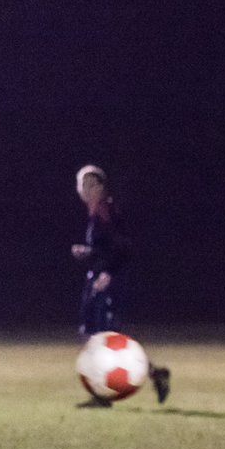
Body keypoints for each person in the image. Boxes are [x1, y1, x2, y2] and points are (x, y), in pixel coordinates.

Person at [71, 164, 171, 408]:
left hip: (106, 279)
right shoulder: (97, 212)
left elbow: (123, 248)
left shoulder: (106, 210)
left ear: (102, 187)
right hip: (96, 277)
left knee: (102, 336)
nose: (88, 189)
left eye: (93, 184)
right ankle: (152, 374)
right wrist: (89, 253)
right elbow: (106, 247)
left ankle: (103, 395)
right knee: (92, 334)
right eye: (84, 184)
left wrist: (108, 271)